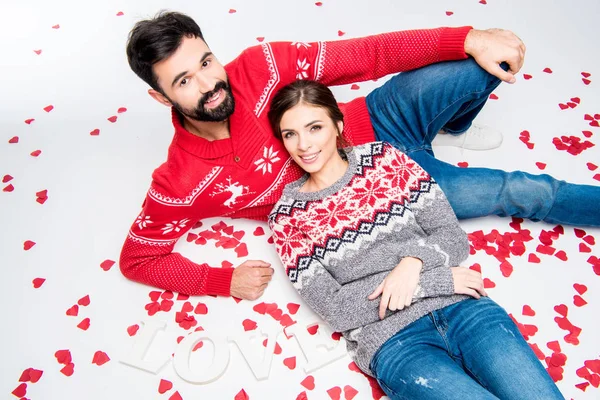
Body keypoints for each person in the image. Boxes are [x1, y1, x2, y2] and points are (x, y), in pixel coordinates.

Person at [120, 11, 599, 299]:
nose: (209, 83)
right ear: (162, 97)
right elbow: (139, 259)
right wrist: (220, 281)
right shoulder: (181, 181)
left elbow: (364, 55)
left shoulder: (260, 65)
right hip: (377, 188)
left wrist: (468, 38)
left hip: (380, 118)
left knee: (480, 63)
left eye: (206, 62)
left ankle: (451, 126)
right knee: (518, 191)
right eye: (184, 80)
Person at [267, 80, 564, 400]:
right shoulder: (286, 219)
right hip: (395, 343)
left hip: (463, 310)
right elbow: (337, 308)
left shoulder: (385, 160)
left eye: (314, 127)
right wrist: (433, 281)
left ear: (337, 124)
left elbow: (451, 236)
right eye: (290, 134)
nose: (304, 144)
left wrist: (412, 264)